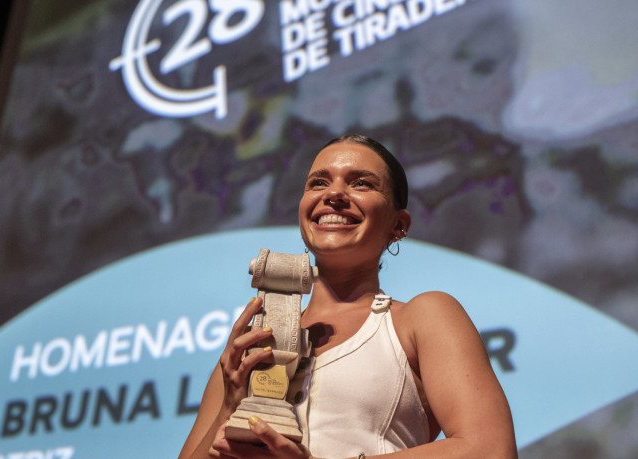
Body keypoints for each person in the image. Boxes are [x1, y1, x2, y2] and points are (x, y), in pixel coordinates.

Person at [179, 135, 516, 458]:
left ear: (398, 225)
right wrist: (229, 409)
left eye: (361, 183)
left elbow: (490, 451)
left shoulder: (422, 318)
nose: (334, 193)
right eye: (318, 183)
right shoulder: (252, 344)